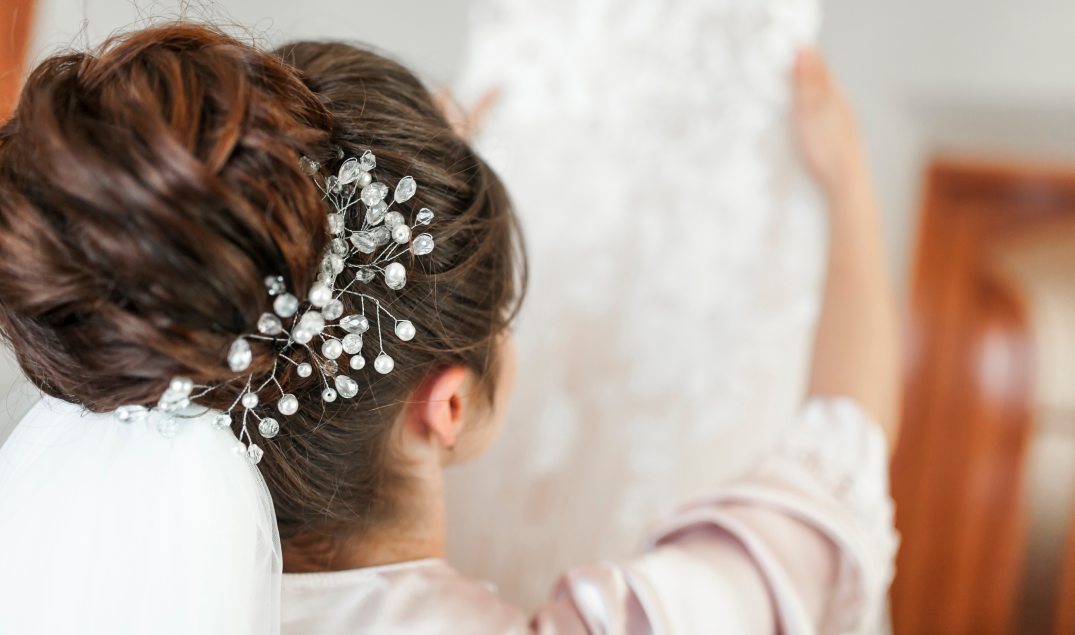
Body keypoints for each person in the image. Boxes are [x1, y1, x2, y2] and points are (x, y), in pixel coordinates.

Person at [0, 24, 899, 635]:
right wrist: (850, 192)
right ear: (449, 404)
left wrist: (414, 188)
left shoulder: (65, 577)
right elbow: (832, 471)